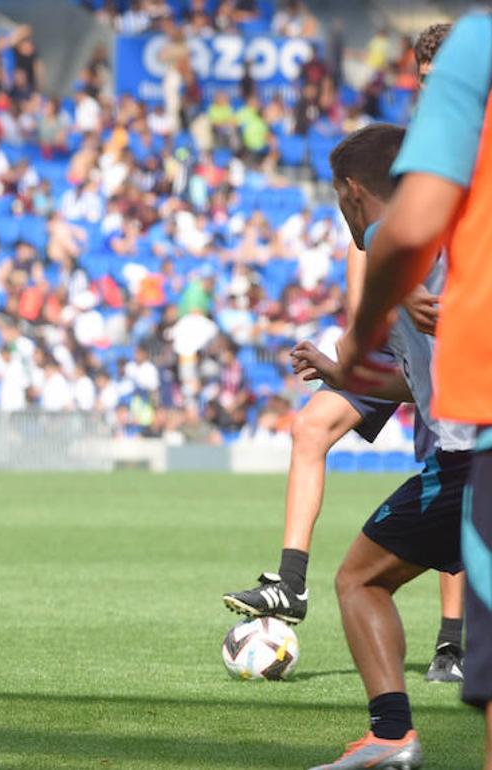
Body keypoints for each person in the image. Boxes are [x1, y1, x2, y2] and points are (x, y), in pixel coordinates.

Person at [222, 24, 465, 687]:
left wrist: (409, 288)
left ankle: (447, 648)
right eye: (423, 70)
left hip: (447, 355)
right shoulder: (401, 151)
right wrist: (354, 348)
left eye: (442, 69)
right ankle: (291, 583)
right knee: (315, 426)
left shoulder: (459, 152)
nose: (429, 81)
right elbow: (377, 245)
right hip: (395, 337)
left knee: (448, 472)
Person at [294, 123, 473, 770]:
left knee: (359, 579)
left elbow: (397, 247)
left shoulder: (397, 241)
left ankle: (391, 737)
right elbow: (419, 376)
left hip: (469, 459)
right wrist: (346, 377)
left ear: (351, 192)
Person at [343, 11, 492, 770]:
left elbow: (405, 236)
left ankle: (391, 734)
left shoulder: (410, 209)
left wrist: (374, 315)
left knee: (359, 577)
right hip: (461, 431)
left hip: (476, 442)